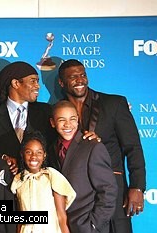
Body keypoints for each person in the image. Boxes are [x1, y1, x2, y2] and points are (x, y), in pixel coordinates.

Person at [58, 59, 146, 233]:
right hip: (77, 198)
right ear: (61, 82)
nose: (80, 80)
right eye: (73, 77)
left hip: (113, 190)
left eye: (83, 75)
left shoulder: (114, 104)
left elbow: (133, 147)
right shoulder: (57, 111)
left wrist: (137, 186)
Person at [48, 100, 118, 233]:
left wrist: (94, 225)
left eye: (72, 119)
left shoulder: (93, 146)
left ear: (78, 120)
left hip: (87, 227)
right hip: (61, 227)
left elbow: (108, 190)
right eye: (62, 120)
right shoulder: (52, 149)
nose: (68, 124)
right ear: (52, 122)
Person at [0, 61, 57, 163]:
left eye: (37, 81)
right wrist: (3, 158)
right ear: (15, 83)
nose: (38, 86)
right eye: (32, 81)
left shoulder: (47, 112)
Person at [11, 131, 76, 233]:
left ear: (44, 155)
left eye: (39, 152)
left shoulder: (51, 176)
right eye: (29, 152)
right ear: (22, 154)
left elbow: (61, 216)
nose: (34, 156)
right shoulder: (18, 180)